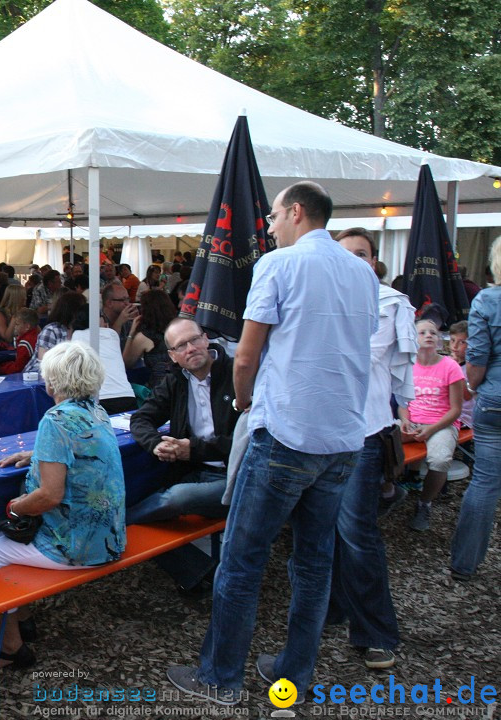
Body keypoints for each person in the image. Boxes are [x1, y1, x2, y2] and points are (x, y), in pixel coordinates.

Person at [168, 181, 378, 704]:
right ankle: (295, 673)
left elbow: (246, 356)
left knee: (242, 561)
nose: (269, 225)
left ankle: (219, 677)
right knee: (312, 563)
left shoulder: (279, 266)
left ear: (298, 213)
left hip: (287, 433)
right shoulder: (362, 272)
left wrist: (241, 403)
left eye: (275, 216)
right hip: (343, 436)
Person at [0, 342, 125, 667]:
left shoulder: (55, 419)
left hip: (80, 549)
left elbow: (49, 496)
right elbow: (83, 453)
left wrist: (14, 509)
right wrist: (37, 455)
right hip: (111, 539)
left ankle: (11, 647)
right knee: (12, 544)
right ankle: (25, 618)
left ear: (52, 382)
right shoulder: (97, 412)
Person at [330, 227, 417, 670]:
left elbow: (379, 365)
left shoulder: (389, 304)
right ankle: (334, 607)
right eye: (345, 254)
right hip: (318, 432)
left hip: (362, 434)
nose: (354, 262)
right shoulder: (319, 303)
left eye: (362, 254)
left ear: (375, 262)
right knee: (322, 528)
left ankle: (377, 633)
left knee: (357, 533)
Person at [127, 317, 238, 592]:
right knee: (153, 509)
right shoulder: (175, 381)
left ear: (206, 339)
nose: (191, 349)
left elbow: (250, 441)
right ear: (173, 356)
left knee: (176, 499)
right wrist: (155, 444)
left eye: (194, 340)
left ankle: (116, 523)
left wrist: (194, 449)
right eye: (181, 346)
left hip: (237, 477)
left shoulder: (238, 374)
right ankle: (198, 572)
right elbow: (141, 419)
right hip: (193, 471)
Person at [451, 235, 501, 581]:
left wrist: (469, 386)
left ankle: (464, 565)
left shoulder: (487, 300)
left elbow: (477, 361)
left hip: (494, 402)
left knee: (484, 483)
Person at [399, 318, 464, 531]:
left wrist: (431, 429)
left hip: (441, 423)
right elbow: (403, 402)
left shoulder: (450, 366)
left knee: (439, 459)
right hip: (414, 421)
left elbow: (456, 409)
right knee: (381, 446)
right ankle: (389, 492)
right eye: (423, 332)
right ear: (413, 339)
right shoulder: (408, 366)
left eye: (433, 333)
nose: (429, 335)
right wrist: (406, 421)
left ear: (438, 340)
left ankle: (424, 503)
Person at [69, 306, 136, 415]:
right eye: (102, 317)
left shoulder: (77, 336)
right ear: (97, 319)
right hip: (126, 396)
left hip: (99, 398)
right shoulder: (111, 334)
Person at [26, 291, 86, 375]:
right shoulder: (51, 330)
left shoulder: (82, 331)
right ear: (73, 311)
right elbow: (44, 362)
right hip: (38, 379)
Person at [447, 320, 476, 429]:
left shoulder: (473, 367)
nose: (454, 346)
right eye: (452, 340)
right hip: (443, 413)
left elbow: (467, 396)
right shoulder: (444, 363)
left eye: (462, 342)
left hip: (464, 417)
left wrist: (455, 368)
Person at [0, 308, 39, 375]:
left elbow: (18, 368)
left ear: (27, 327)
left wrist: (1, 369)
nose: (15, 327)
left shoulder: (25, 343)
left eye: (17, 324)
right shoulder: (36, 336)